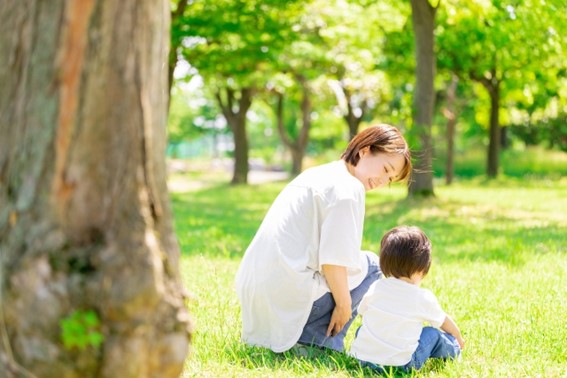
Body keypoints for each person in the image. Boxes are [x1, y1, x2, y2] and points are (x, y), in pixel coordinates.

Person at [235, 124, 412, 353]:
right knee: (373, 266)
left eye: (390, 178)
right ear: (365, 150)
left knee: (360, 262)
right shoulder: (349, 189)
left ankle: (301, 335)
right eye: (385, 169)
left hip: (257, 293)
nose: (383, 181)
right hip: (285, 295)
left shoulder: (319, 173)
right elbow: (333, 261)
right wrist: (344, 305)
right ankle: (317, 343)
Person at [349, 226, 465, 373]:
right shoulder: (422, 297)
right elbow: (444, 321)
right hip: (402, 365)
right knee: (433, 334)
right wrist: (458, 338)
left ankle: (370, 354)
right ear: (422, 269)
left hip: (362, 360)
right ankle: (454, 350)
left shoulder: (377, 286)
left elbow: (362, 313)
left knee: (362, 329)